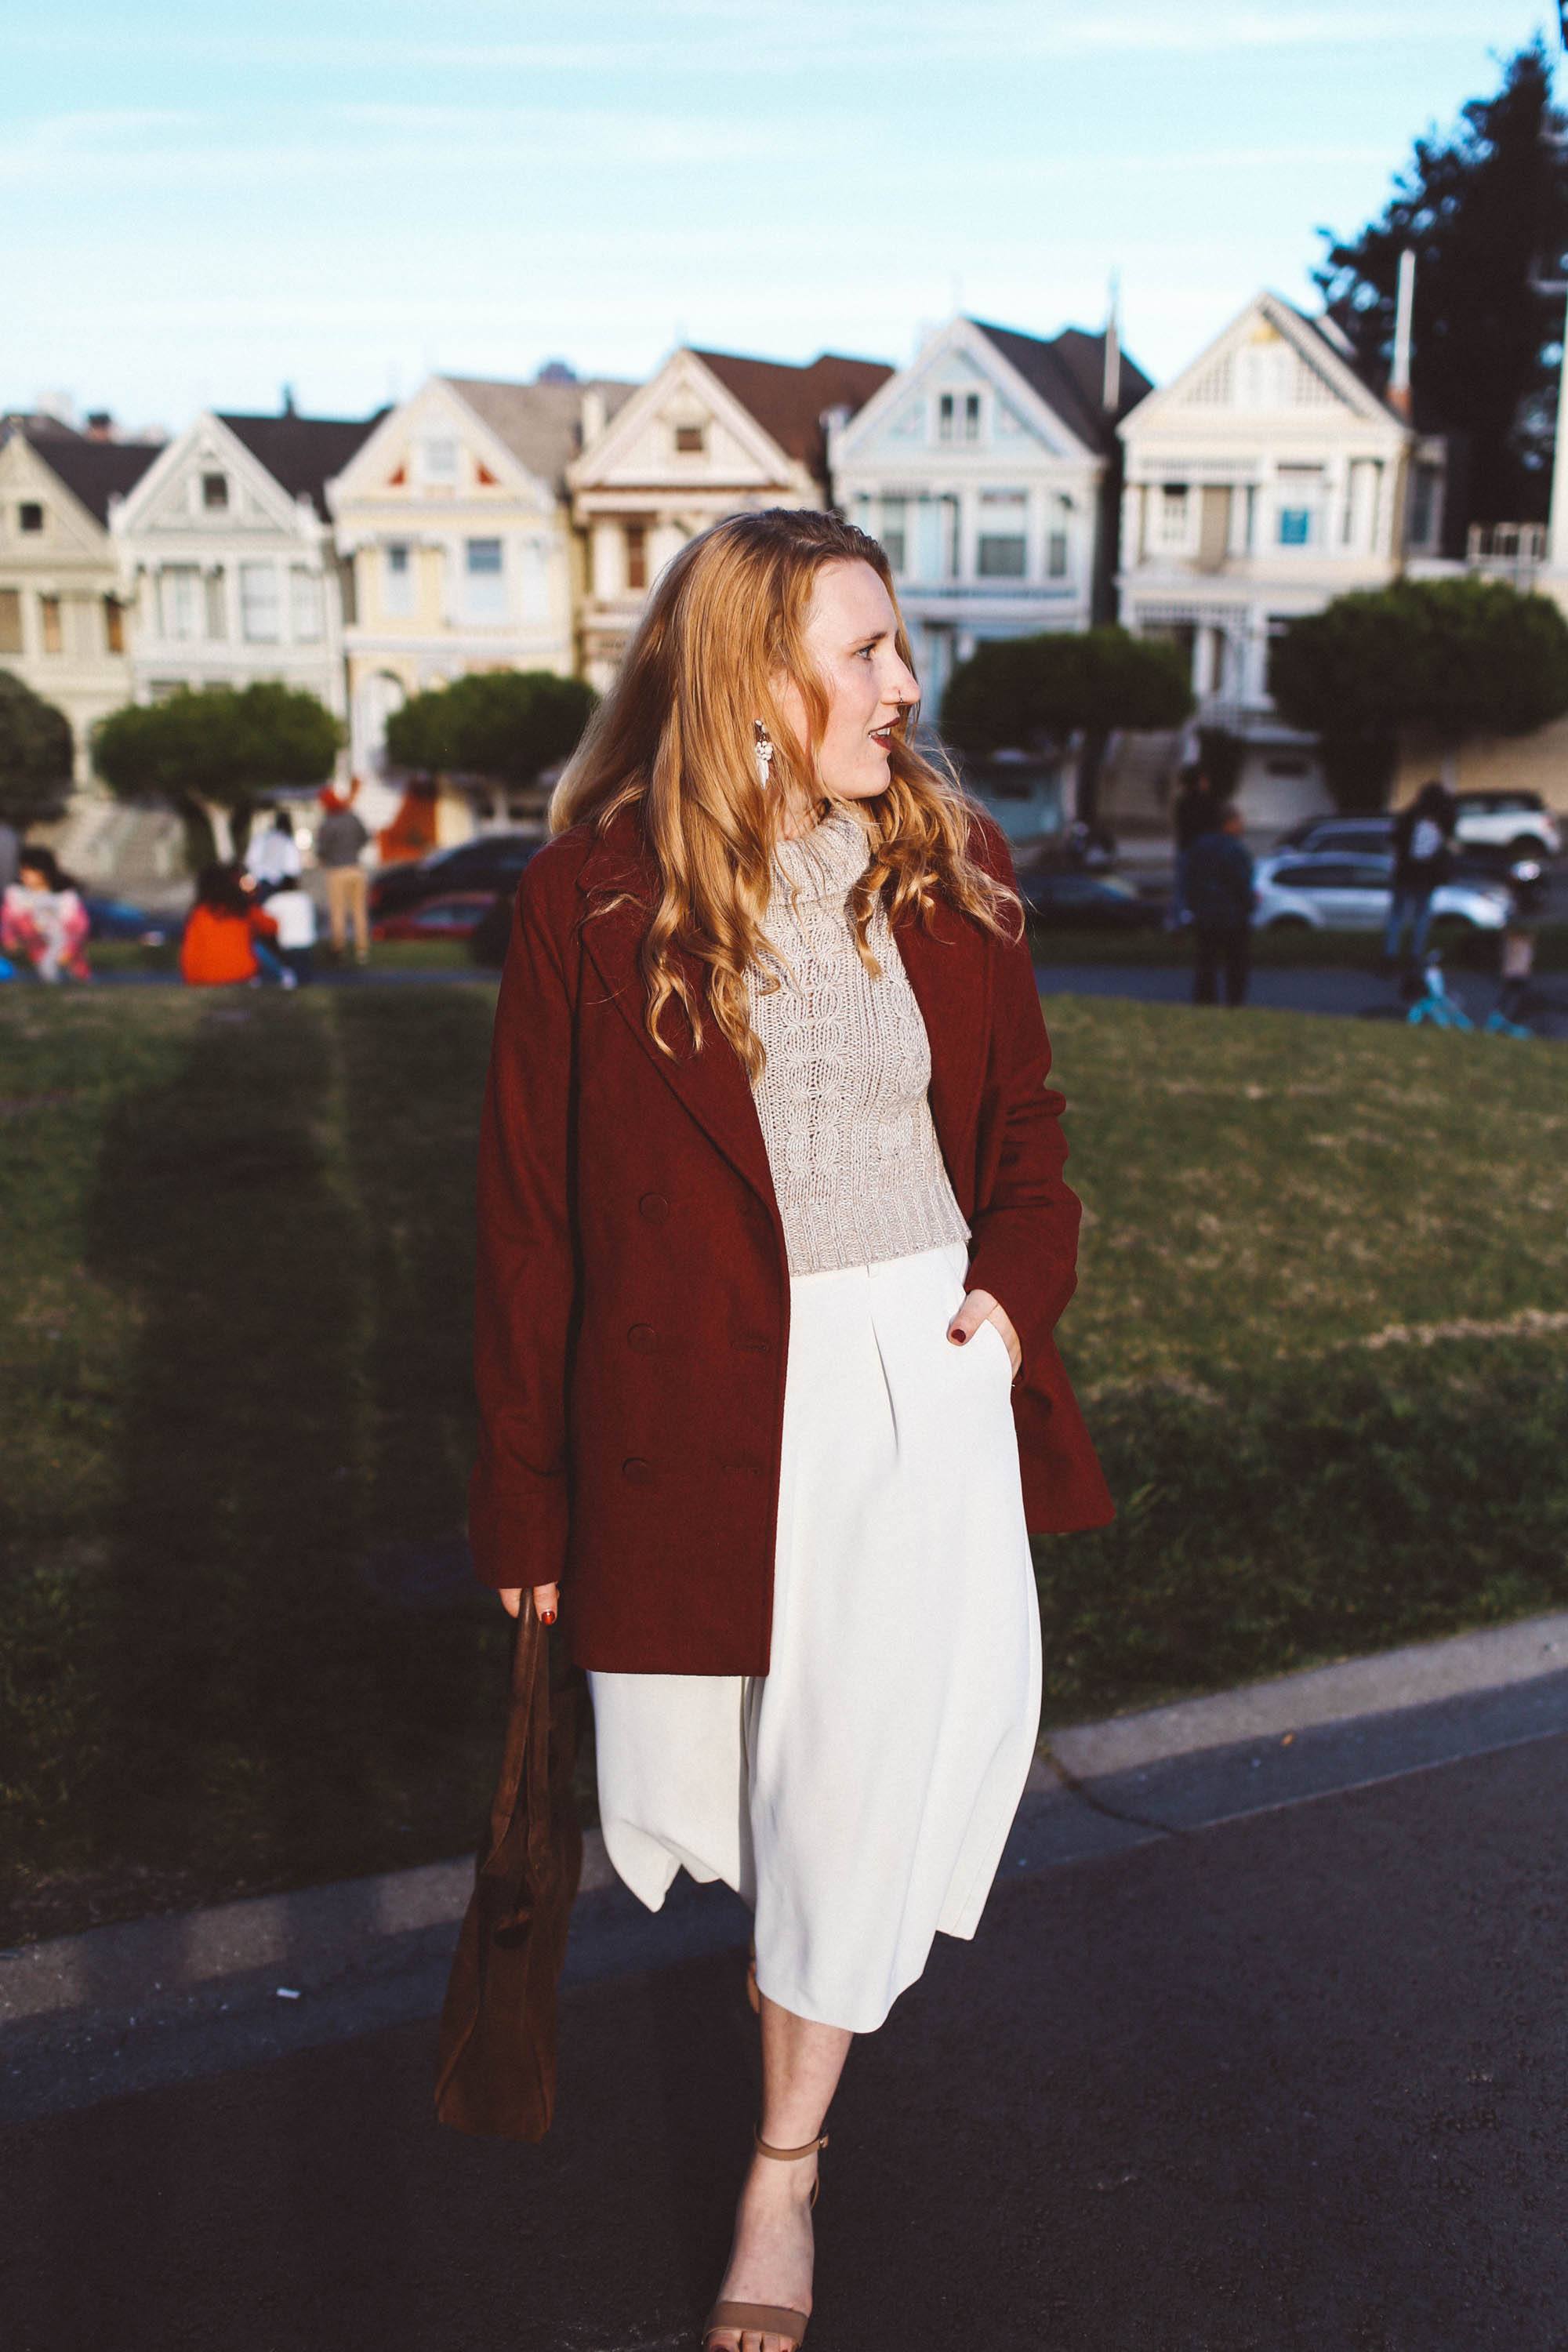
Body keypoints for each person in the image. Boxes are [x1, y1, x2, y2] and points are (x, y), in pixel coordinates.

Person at [469, 509, 1113, 2351]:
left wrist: (1006, 1307)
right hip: (695, 1402)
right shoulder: (587, 896)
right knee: (710, 1785)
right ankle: (784, 2067)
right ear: (749, 674)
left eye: (897, 649)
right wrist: (521, 1492)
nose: (902, 686)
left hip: (913, 1386)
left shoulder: (947, 864)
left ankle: (782, 2161)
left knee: (843, 1795)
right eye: (862, 650)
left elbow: (1029, 1150)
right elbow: (530, 1218)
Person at [179, 862, 293, 988]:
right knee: (256, 945)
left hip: (205, 978)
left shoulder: (199, 914)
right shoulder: (242, 910)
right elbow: (273, 926)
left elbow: (190, 953)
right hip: (241, 975)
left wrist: (191, 980)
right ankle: (284, 977)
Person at [1185, 803, 1255, 1007]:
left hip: (1205, 915)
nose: (1242, 825)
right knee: (1236, 966)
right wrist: (1248, 905)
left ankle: (1205, 1003)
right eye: (1239, 821)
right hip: (1232, 916)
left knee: (1206, 964)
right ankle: (1234, 1004)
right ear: (1229, 823)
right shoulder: (1235, 850)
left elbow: (1190, 879)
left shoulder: (1199, 846)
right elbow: (1242, 882)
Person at [1386, 779, 1455, 968]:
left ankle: (1391, 954)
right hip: (1426, 875)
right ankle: (1415, 955)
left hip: (1406, 872)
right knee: (1422, 914)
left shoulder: (1410, 817)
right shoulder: (1443, 819)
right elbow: (1446, 845)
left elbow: (1395, 839)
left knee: (1397, 914)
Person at [1, 846, 92, 982]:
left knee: (57, 973)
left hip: (60, 952)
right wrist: (9, 939)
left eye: (29, 870)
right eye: (22, 870)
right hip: (28, 955)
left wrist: (70, 950)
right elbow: (7, 921)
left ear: (43, 871)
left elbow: (79, 928)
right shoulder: (17, 896)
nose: (23, 874)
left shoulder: (65, 899)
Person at [315, 791, 371, 962]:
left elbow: (321, 850)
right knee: (359, 911)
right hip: (356, 869)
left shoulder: (328, 823)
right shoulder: (353, 818)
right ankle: (362, 950)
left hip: (337, 871)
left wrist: (327, 857)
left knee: (338, 912)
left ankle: (338, 948)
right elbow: (365, 837)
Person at [1168, 758, 1219, 925]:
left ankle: (1179, 920)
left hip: (1185, 849)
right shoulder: (1207, 803)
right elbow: (1212, 826)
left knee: (1181, 888)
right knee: (1203, 887)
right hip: (1201, 850)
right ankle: (1201, 919)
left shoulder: (1182, 802)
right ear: (1199, 781)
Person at [265, 873, 318, 985]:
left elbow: (265, 918)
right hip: (307, 941)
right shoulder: (305, 898)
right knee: (304, 972)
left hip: (286, 942)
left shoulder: (276, 900)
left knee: (290, 971)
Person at [244, 808, 303, 895]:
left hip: (259, 881)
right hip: (278, 884)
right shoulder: (287, 841)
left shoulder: (262, 838)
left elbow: (250, 860)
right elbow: (293, 868)